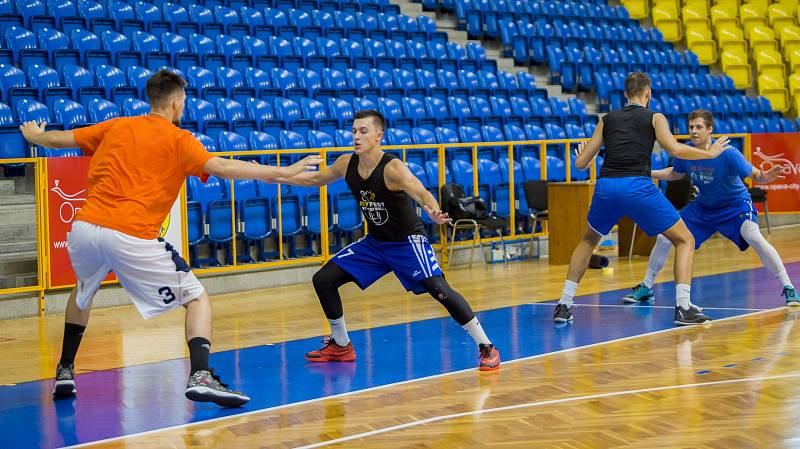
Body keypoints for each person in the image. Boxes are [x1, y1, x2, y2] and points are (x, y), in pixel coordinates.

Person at [19, 69, 321, 407]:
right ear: (177, 102)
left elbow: (61, 140)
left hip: (86, 229)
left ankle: (65, 370)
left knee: (82, 290)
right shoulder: (179, 140)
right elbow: (221, 167)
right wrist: (282, 172)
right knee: (197, 298)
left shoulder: (117, 125)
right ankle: (201, 375)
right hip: (130, 233)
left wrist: (34, 136)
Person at [285, 109, 500, 371]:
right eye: (354, 131)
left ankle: (486, 346)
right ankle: (341, 346)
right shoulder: (346, 163)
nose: (356, 136)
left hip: (407, 242)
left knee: (439, 289)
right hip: (375, 244)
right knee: (323, 279)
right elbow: (318, 179)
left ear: (378, 136)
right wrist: (279, 174)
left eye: (363, 131)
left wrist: (432, 210)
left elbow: (420, 191)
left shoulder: (392, 167)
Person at [552, 72, 731, 326]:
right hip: (637, 186)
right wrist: (710, 154)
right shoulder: (655, 117)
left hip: (607, 186)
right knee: (685, 239)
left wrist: (587, 155)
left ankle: (563, 305)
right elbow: (675, 149)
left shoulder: (607, 119)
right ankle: (682, 306)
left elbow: (581, 164)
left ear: (626, 94)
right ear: (648, 93)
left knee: (588, 240)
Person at [624, 109, 796, 306]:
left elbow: (757, 175)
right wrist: (649, 173)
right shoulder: (686, 152)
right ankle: (646, 286)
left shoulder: (728, 154)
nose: (694, 131)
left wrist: (767, 177)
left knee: (753, 235)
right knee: (665, 236)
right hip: (704, 208)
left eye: (699, 127)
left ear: (710, 130)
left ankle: (788, 286)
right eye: (691, 127)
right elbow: (676, 173)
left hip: (735, 206)